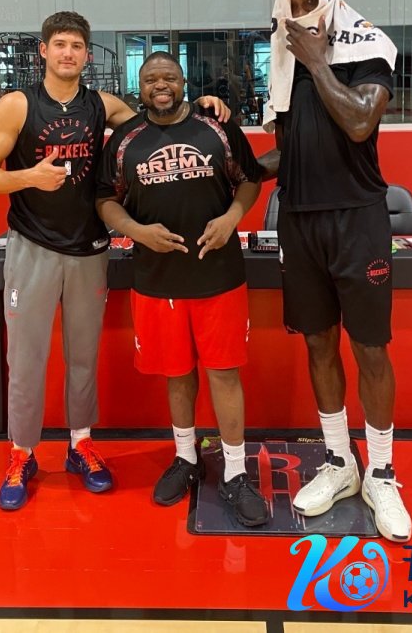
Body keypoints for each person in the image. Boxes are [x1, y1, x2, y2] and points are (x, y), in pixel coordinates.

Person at [0, 12, 229, 511]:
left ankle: (81, 444)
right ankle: (22, 453)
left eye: (77, 46)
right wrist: (28, 177)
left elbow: (159, 118)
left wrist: (203, 105)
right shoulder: (17, 105)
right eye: (60, 44)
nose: (68, 53)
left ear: (87, 55)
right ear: (43, 51)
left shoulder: (102, 105)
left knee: (83, 356)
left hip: (89, 247)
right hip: (33, 245)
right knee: (26, 358)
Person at [258, 0, 412, 543]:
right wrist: (226, 157)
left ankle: (382, 472)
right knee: (319, 343)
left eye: (307, 1)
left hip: (358, 219)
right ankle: (339, 461)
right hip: (299, 219)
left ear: (328, 1)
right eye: (290, 3)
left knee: (370, 347)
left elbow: (359, 121)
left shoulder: (367, 50)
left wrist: (318, 60)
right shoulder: (285, 65)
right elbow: (288, 152)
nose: (298, 14)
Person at [96, 51, 269, 528]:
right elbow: (105, 199)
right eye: (151, 78)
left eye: (169, 77)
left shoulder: (216, 126)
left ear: (183, 81)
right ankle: (186, 457)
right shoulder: (125, 138)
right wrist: (136, 230)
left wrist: (232, 218)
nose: (160, 85)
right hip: (158, 280)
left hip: (219, 275)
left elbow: (250, 180)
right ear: (140, 85)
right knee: (176, 373)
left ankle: (235, 471)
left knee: (224, 374)